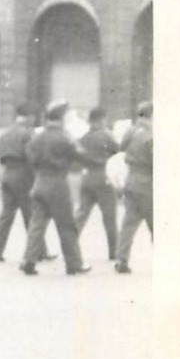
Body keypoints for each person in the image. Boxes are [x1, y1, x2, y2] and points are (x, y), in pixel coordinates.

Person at [19, 100, 93, 277]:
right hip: (58, 183)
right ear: (62, 117)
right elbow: (81, 155)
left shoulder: (38, 136)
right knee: (66, 225)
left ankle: (29, 260)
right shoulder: (65, 136)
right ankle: (74, 264)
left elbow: (29, 155)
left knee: (37, 224)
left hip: (39, 181)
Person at [0, 105, 36, 262]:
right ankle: (38, 251)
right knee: (31, 214)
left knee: (6, 214)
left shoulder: (5, 133)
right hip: (22, 174)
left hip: (7, 172)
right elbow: (30, 157)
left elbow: (0, 155)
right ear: (28, 116)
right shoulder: (26, 133)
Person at [72, 107, 121, 262]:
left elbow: (77, 158)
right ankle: (114, 252)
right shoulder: (106, 136)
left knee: (81, 215)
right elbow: (118, 152)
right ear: (101, 120)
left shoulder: (83, 137)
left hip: (87, 177)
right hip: (104, 178)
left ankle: (70, 245)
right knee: (109, 217)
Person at [114, 101, 152, 274]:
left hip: (132, 178)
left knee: (129, 222)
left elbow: (120, 149)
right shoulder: (153, 133)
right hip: (148, 181)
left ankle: (121, 259)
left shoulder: (131, 131)